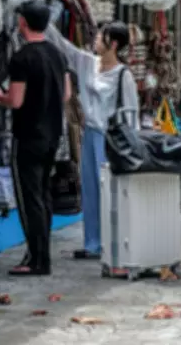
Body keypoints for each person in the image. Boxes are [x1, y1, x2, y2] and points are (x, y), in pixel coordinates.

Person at [0, 0, 70, 276]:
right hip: (52, 133)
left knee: (28, 197)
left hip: (28, 134)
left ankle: (36, 259)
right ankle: (40, 254)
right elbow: (67, 94)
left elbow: (16, 100)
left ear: (22, 22)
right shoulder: (58, 55)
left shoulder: (22, 58)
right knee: (43, 194)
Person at [45, 21, 139, 261]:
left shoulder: (123, 75)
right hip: (90, 134)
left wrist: (132, 147)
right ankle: (93, 243)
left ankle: (114, 241)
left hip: (111, 138)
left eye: (101, 37)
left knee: (110, 190)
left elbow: (131, 112)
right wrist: (44, 22)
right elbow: (64, 47)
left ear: (113, 44)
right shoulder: (88, 64)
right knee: (90, 189)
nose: (95, 39)